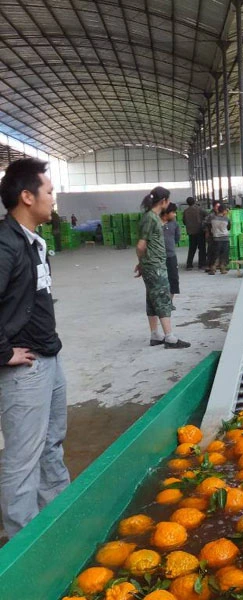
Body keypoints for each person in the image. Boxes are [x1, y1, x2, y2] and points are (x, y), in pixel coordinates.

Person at [0, 158, 71, 538]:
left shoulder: (32, 241)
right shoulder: (5, 243)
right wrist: (4, 352)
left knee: (51, 444)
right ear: (27, 197)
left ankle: (57, 522)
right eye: (48, 190)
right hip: (23, 367)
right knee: (22, 459)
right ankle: (23, 541)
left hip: (47, 356)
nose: (53, 196)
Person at [136, 187, 190, 349]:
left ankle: (155, 334)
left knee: (152, 299)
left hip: (151, 264)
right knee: (163, 298)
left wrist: (142, 263)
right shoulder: (151, 218)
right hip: (155, 266)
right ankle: (170, 337)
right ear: (163, 201)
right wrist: (142, 262)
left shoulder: (150, 217)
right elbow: (141, 245)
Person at [161, 203, 181, 300]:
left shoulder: (174, 224)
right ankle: (160, 301)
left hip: (171, 255)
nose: (175, 214)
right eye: (173, 212)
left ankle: (169, 301)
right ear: (166, 213)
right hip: (158, 257)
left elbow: (177, 238)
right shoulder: (156, 224)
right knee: (160, 279)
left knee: (173, 278)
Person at [182, 196, 206, 270]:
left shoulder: (185, 211)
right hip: (199, 231)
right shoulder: (199, 209)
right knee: (201, 248)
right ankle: (201, 264)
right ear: (194, 201)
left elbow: (184, 221)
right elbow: (207, 215)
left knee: (192, 248)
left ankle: (189, 264)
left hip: (191, 232)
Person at [207, 205, 231, 275]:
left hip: (216, 239)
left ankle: (213, 269)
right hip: (225, 239)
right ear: (224, 211)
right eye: (226, 210)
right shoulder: (226, 219)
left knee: (215, 254)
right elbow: (229, 227)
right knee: (224, 255)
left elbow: (209, 226)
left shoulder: (212, 218)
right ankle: (223, 269)